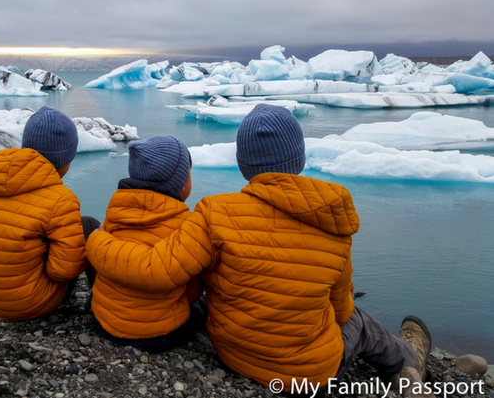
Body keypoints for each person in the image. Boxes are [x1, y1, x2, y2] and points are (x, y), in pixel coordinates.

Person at [86, 104, 431, 393]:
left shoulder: (213, 213)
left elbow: (178, 274)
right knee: (359, 320)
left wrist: (99, 239)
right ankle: (410, 362)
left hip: (232, 354)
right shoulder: (334, 223)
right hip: (309, 375)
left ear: (242, 164)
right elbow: (340, 312)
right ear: (299, 159)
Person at [0, 106, 97, 320]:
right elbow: (63, 271)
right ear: (67, 159)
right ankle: (101, 300)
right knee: (89, 225)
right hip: (32, 304)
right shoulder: (61, 199)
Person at [90, 135, 206, 352]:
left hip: (104, 323)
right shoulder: (187, 226)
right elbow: (192, 291)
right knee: (202, 306)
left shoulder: (114, 213)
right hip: (159, 334)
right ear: (180, 182)